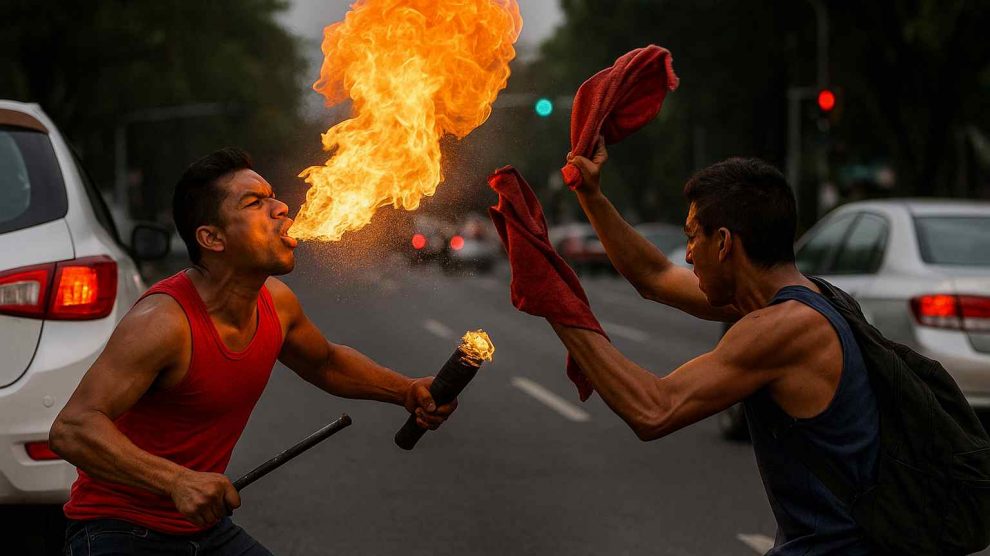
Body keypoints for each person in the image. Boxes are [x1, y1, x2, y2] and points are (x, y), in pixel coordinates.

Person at [48, 148, 456, 555]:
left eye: (272, 196)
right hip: (119, 530)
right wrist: (177, 481)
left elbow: (326, 363)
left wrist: (405, 391)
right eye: (254, 202)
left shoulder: (276, 303)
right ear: (212, 238)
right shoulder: (164, 322)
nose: (281, 208)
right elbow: (72, 429)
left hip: (203, 531)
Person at [554, 140, 880, 555]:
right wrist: (590, 194)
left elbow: (654, 409)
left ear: (724, 243)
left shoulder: (787, 328)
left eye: (693, 237)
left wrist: (556, 304)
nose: (687, 255)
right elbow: (653, 275)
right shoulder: (809, 297)